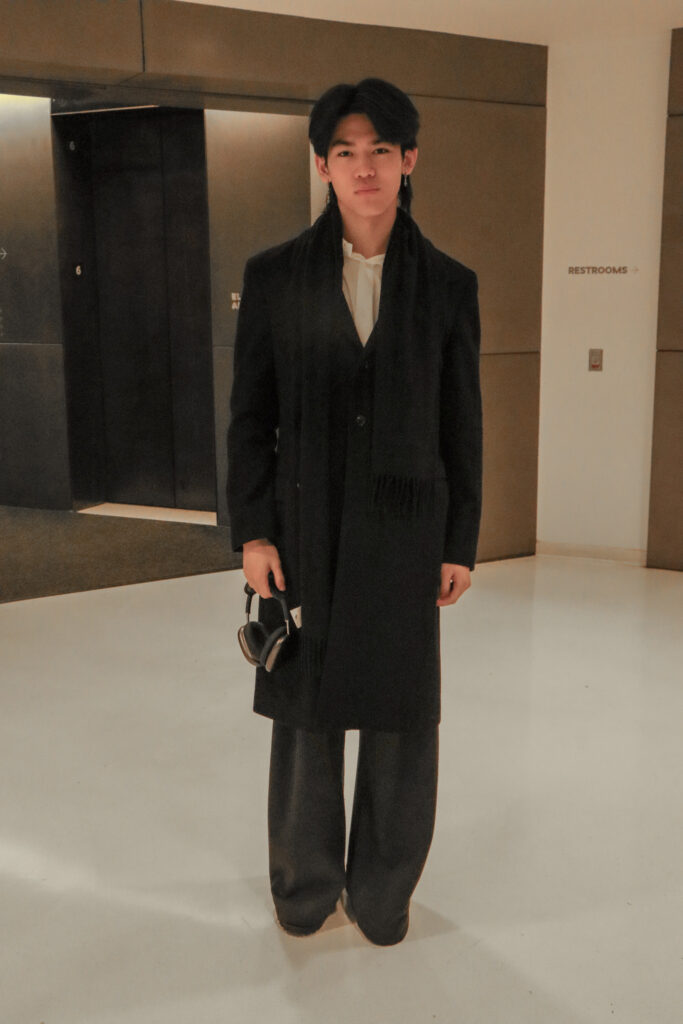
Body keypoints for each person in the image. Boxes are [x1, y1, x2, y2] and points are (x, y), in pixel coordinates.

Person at [227, 78, 482, 946]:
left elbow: (462, 423)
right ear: (322, 165)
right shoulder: (273, 277)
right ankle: (302, 890)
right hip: (303, 530)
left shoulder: (447, 287)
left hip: (408, 531)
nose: (363, 167)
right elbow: (249, 418)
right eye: (345, 151)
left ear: (409, 160)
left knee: (402, 718)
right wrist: (254, 529)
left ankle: (382, 896)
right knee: (305, 716)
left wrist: (460, 543)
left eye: (380, 150)